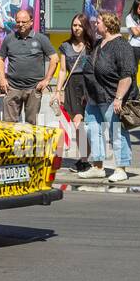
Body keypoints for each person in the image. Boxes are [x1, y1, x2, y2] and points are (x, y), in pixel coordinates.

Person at [73, 12, 137, 182]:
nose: (95, 24)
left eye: (99, 22)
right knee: (93, 131)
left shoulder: (121, 45)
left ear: (108, 25)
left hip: (111, 97)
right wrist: (87, 93)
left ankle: (121, 168)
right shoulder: (100, 43)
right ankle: (98, 167)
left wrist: (119, 98)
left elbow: (127, 74)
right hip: (94, 97)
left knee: (117, 132)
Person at [0, 8, 58, 124]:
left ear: (31, 22)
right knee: (8, 126)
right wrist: (2, 78)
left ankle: (29, 142)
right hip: (12, 88)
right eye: (18, 21)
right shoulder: (9, 38)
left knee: (31, 125)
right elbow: (0, 58)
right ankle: (11, 143)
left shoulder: (41, 39)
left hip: (34, 89)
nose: (20, 24)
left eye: (23, 22)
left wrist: (47, 80)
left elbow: (54, 58)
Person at [56, 13, 95, 173]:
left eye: (79, 25)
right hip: (72, 86)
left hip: (88, 84)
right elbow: (63, 70)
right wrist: (58, 91)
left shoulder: (91, 45)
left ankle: (87, 157)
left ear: (85, 27)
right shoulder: (65, 46)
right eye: (74, 25)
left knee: (84, 124)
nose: (76, 28)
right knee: (77, 125)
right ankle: (85, 158)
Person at [125, 0, 140, 90]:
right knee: (134, 70)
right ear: (135, 7)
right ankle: (135, 92)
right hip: (134, 45)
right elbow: (135, 33)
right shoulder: (129, 17)